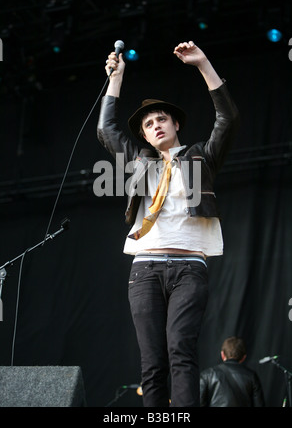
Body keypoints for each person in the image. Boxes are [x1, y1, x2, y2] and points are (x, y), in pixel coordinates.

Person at [97, 41, 239, 407]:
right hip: (144, 269)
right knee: (152, 362)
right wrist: (117, 78)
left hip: (190, 267)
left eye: (161, 119)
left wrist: (204, 64)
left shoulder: (200, 158)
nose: (155, 125)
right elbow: (106, 128)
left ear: (175, 124)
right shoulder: (140, 163)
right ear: (144, 136)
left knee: (180, 349)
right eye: (148, 124)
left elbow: (228, 118)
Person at [200, 336, 265, 407]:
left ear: (222, 354)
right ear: (244, 357)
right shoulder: (251, 376)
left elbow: (199, 403)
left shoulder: (207, 375)